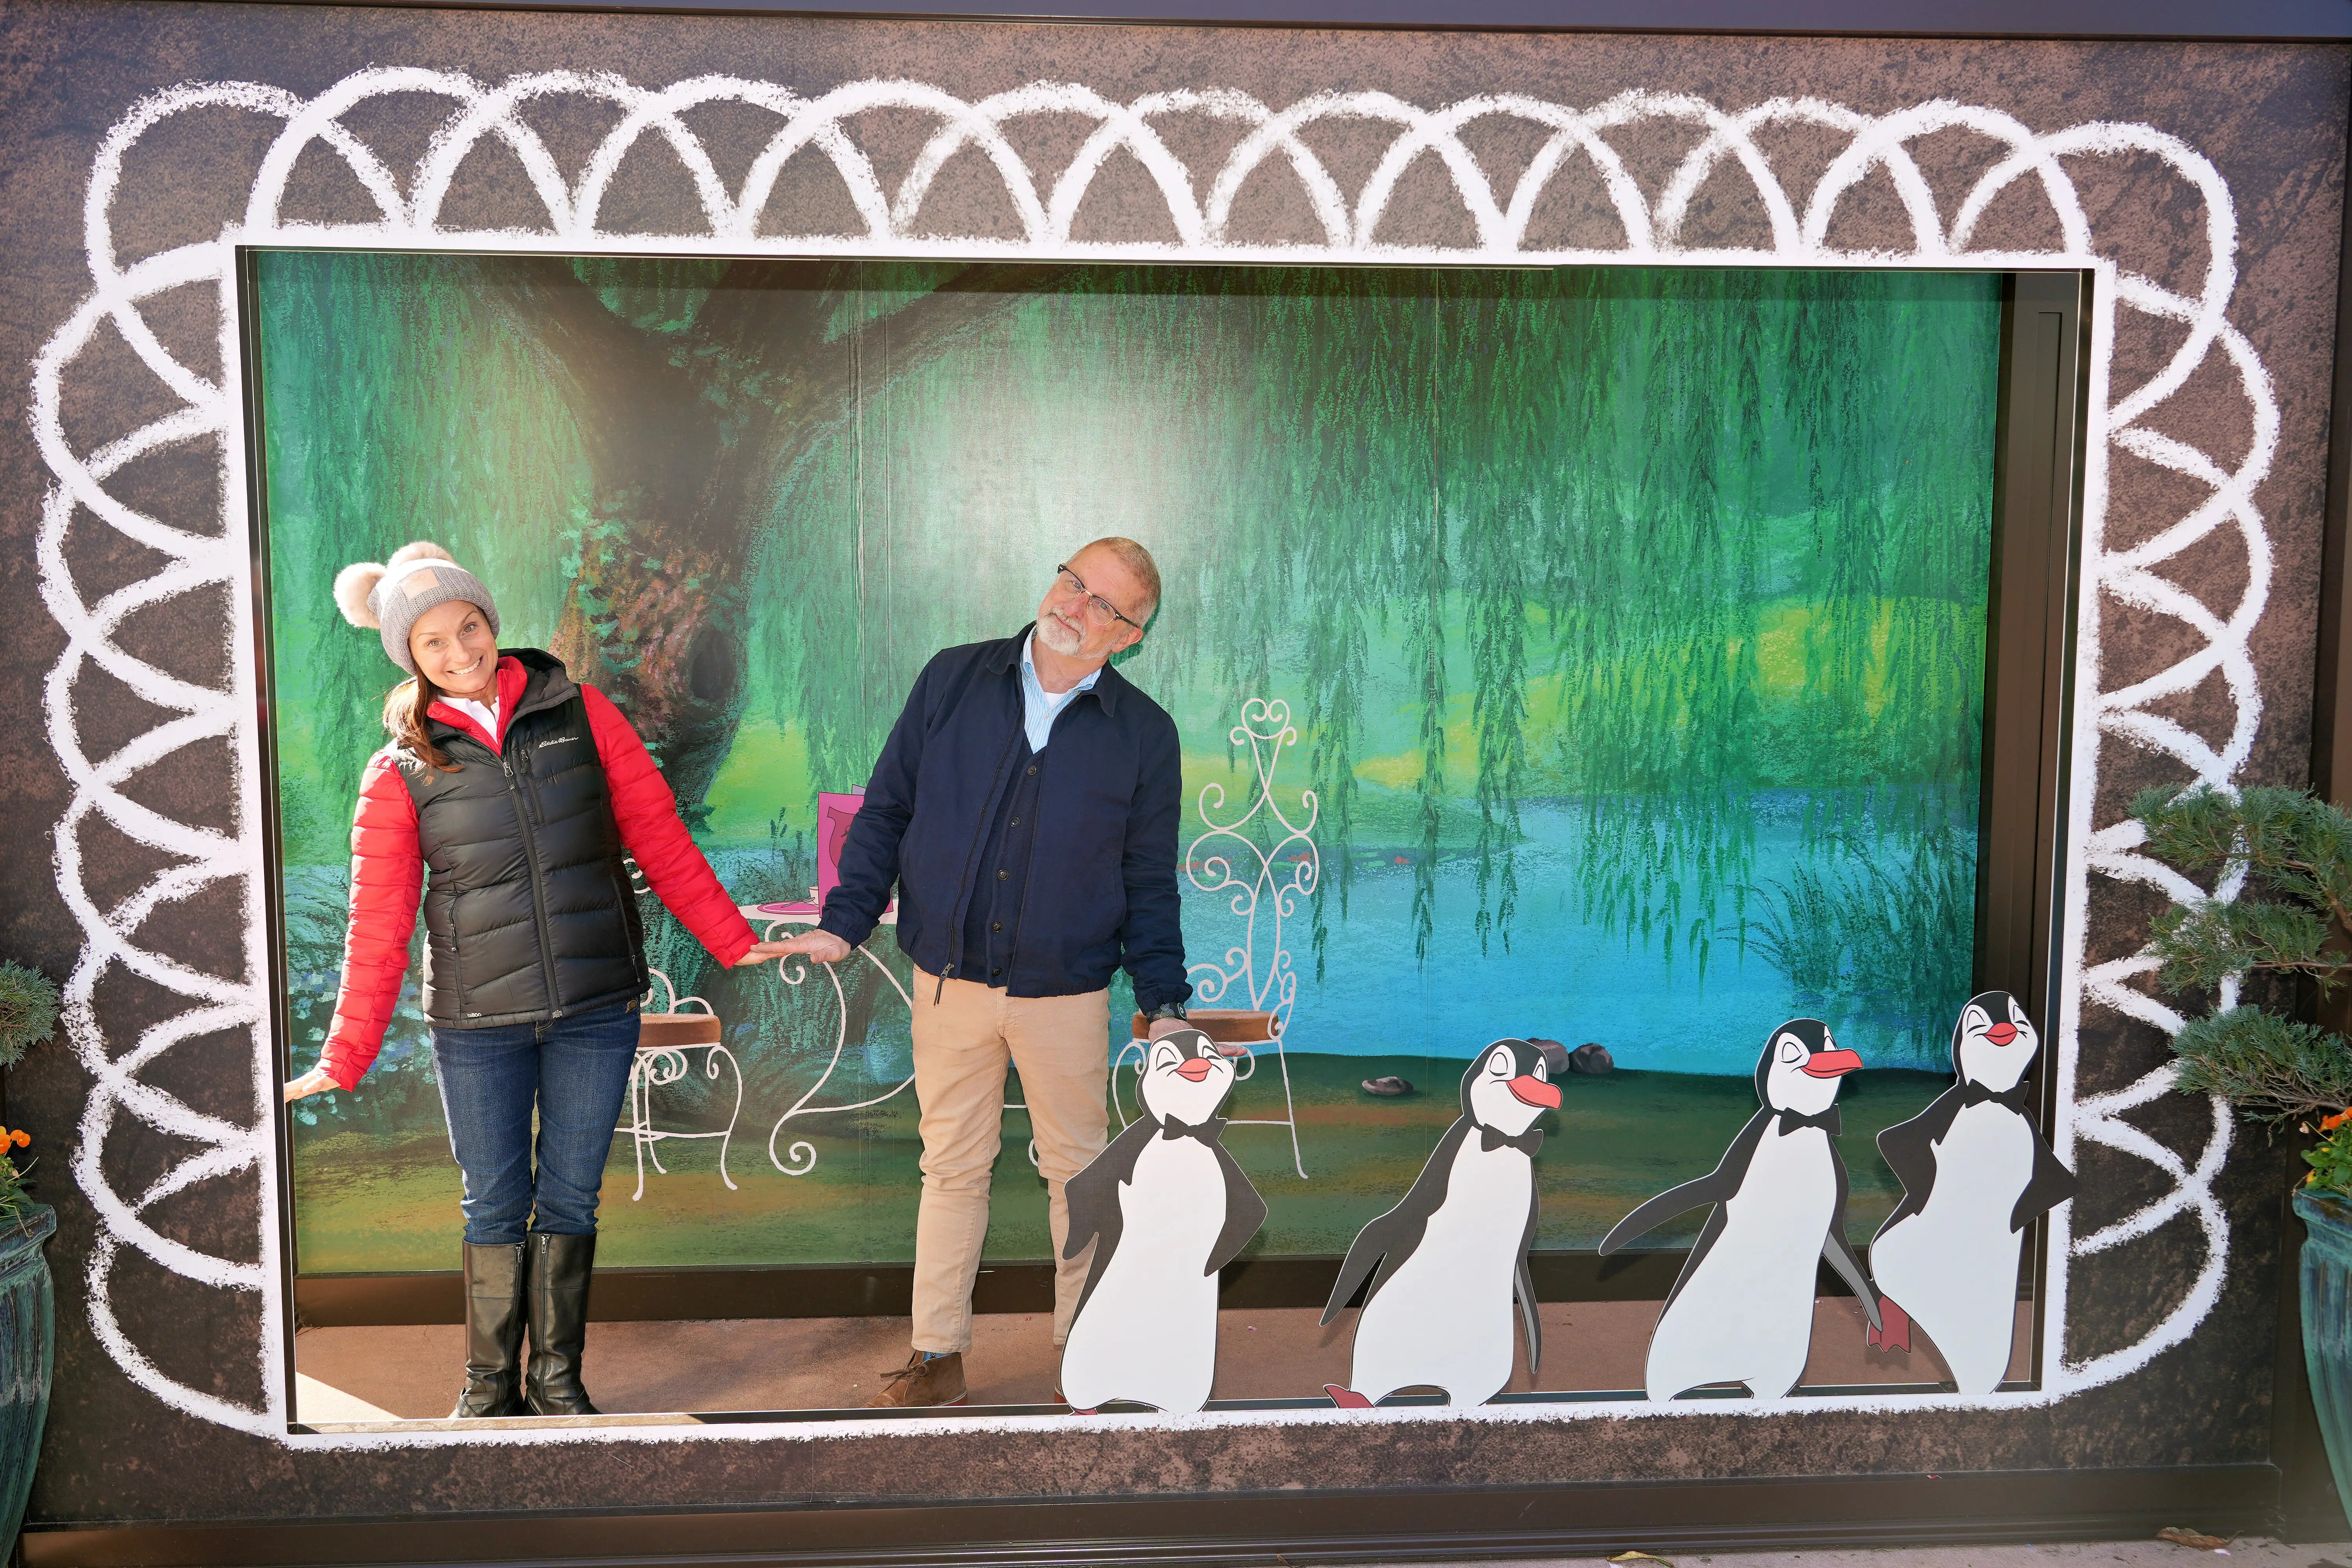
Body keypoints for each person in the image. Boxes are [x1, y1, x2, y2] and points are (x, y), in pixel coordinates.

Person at [284, 541, 793, 1419]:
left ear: (490, 621)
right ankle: (488, 1388)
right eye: (433, 641)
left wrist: (731, 938)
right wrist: (346, 1052)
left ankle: (556, 1379)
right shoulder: (401, 769)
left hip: (597, 1009)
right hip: (477, 1024)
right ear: (411, 656)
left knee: (569, 1193)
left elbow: (658, 832)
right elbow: (376, 927)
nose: (459, 651)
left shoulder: (581, 711)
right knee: (493, 1202)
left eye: (469, 627)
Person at [768, 538, 1192, 1408]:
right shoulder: (953, 679)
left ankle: (1089, 1353)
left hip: (1066, 994)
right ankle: (937, 1354)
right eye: (1073, 581)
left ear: (1130, 638)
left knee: (1080, 1173)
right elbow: (886, 811)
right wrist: (845, 924)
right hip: (947, 983)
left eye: (1104, 605)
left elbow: (1148, 878)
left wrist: (1166, 1003)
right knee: (951, 1168)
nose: (1075, 605)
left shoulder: (1145, 735)